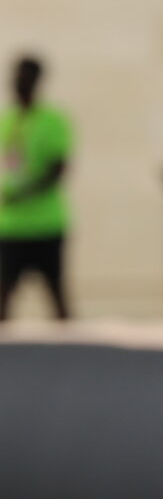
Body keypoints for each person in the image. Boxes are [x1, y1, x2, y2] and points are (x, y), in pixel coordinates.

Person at [0, 53, 74, 320]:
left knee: (57, 294)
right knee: (4, 294)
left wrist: (21, 195)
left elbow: (57, 170)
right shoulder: (7, 120)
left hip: (46, 225)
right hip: (10, 226)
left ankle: (73, 343)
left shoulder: (52, 121)